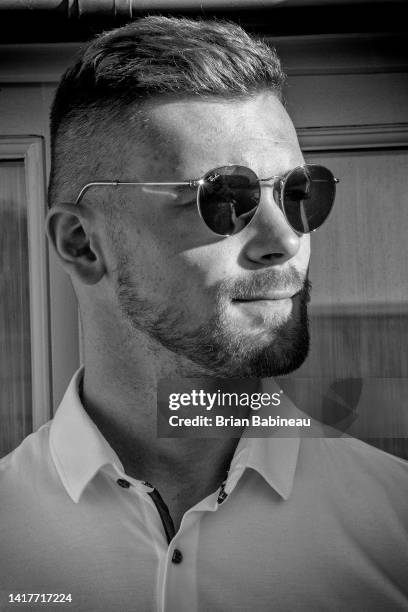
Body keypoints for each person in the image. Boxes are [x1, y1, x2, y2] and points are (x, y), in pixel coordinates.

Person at [1, 16, 407, 612]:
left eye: (298, 192)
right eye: (223, 198)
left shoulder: (394, 526)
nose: (285, 239)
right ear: (82, 244)